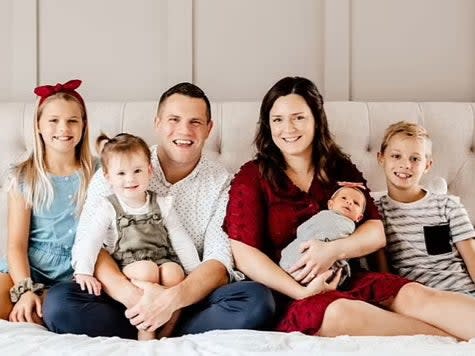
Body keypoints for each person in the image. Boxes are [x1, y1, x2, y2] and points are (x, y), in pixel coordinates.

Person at [224, 76, 475, 341]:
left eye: (298, 117)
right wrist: (302, 292)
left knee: (415, 294)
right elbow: (243, 252)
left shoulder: (340, 168)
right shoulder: (253, 176)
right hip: (288, 291)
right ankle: (450, 341)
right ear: (268, 124)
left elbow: (375, 232)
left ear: (316, 120)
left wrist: (332, 250)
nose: (288, 128)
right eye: (278, 119)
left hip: (349, 277)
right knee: (341, 313)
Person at [43, 82, 275, 339]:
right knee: (58, 304)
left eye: (195, 122)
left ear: (209, 128)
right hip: (122, 294)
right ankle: (148, 325)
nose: (184, 131)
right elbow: (90, 242)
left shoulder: (221, 182)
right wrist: (135, 297)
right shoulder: (119, 167)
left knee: (257, 299)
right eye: (174, 119)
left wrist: (170, 301)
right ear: (157, 123)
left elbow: (218, 261)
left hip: (185, 297)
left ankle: (167, 327)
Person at [72, 133, 201, 340]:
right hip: (131, 263)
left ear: (149, 171)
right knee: (146, 269)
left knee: (174, 273)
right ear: (108, 177)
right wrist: (83, 270)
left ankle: (168, 332)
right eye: (121, 173)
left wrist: (195, 271)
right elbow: (91, 240)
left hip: (163, 258)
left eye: (137, 170)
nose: (130, 179)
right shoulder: (109, 207)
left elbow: (180, 238)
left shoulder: (161, 203)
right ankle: (145, 333)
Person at [0, 79, 94, 324]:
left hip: (78, 270)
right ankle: (34, 299)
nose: (63, 128)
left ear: (83, 126)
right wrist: (25, 289)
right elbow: (15, 246)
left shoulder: (98, 171)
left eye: (73, 120)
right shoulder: (24, 176)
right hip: (30, 267)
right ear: (39, 125)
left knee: (58, 309)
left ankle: (48, 305)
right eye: (53, 120)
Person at [375, 121, 475, 295]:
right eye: (396, 156)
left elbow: (472, 260)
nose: (406, 165)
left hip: (463, 293)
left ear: (427, 165)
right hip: (420, 303)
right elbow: (383, 276)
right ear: (381, 158)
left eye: (415, 159)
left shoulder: (448, 206)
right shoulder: (377, 213)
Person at [279, 184, 367, 287]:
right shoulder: (322, 215)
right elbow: (303, 229)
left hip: (326, 265)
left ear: (359, 218)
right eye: (343, 198)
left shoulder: (352, 229)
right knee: (294, 255)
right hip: (304, 248)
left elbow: (353, 248)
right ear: (330, 204)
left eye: (356, 203)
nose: (349, 202)